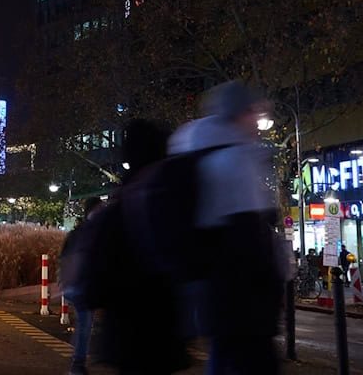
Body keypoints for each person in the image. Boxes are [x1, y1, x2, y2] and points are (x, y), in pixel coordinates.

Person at [169, 81, 282, 374]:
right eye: (253, 112)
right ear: (240, 113)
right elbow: (249, 237)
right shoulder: (236, 159)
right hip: (243, 300)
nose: (257, 120)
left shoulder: (196, 149)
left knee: (223, 357)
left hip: (212, 295)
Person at [98, 118, 190, 374]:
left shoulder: (118, 204)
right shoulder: (168, 199)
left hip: (123, 335)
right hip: (161, 331)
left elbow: (98, 278)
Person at [61, 196, 103, 375]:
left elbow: (64, 255)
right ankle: (78, 362)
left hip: (74, 284)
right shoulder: (93, 230)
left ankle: (78, 359)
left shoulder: (77, 231)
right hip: (82, 284)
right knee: (85, 322)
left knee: (84, 322)